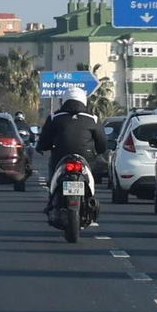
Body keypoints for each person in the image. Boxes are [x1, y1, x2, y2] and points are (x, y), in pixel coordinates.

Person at [35, 86, 108, 225]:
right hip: (86, 157)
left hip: (61, 156)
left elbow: (44, 140)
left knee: (53, 177)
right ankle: (90, 197)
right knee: (90, 176)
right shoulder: (93, 119)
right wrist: (99, 151)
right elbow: (102, 143)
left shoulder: (55, 117)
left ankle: (51, 201)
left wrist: (42, 148)